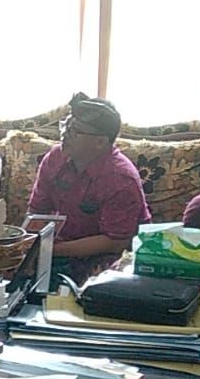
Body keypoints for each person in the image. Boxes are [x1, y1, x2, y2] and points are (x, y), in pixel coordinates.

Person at [27, 93, 151, 281]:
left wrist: (50, 250)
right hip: (59, 249)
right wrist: (31, 248)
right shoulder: (55, 158)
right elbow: (37, 211)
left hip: (108, 256)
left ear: (100, 142)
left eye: (74, 130)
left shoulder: (120, 178)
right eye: (65, 125)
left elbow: (116, 242)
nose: (64, 134)